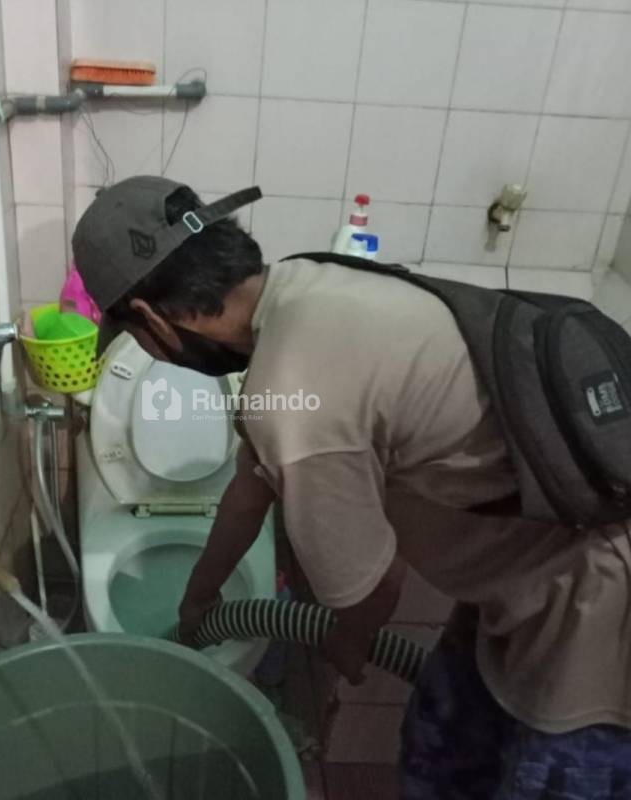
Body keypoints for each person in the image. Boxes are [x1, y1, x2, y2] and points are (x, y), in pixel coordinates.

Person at [73, 175, 631, 798]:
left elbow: (375, 585)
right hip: (518, 577)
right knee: (437, 753)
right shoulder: (305, 284)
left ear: (150, 318)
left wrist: (348, 641)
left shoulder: (292, 385)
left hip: (587, 613)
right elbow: (249, 490)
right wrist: (200, 598)